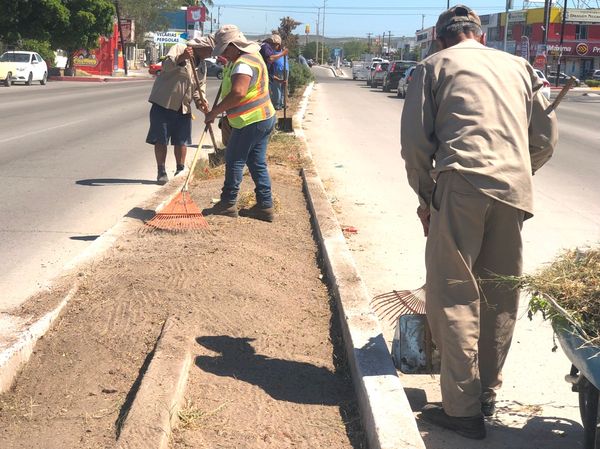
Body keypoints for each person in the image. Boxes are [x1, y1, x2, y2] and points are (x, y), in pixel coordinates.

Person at [400, 4, 558, 440]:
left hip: (461, 182)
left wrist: (426, 199)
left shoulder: (432, 67)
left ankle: (463, 410)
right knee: (498, 294)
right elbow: (545, 138)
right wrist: (515, 173)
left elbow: (415, 145)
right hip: (513, 190)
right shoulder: (522, 67)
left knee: (453, 294)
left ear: (439, 38)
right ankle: (486, 392)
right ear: (480, 36)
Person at [204, 25, 277, 222]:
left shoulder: (243, 64)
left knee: (234, 158)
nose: (224, 54)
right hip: (263, 117)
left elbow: (238, 93)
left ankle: (228, 203)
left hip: (251, 120)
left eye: (226, 49)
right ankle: (265, 206)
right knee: (256, 162)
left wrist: (215, 112)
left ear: (235, 45)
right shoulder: (248, 57)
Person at [146, 35, 215, 185]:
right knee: (161, 139)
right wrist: (182, 57)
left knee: (181, 140)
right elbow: (166, 66)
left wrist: (201, 102)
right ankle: (161, 170)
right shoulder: (179, 48)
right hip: (164, 103)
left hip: (183, 107)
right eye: (210, 51)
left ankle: (180, 170)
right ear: (202, 48)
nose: (211, 54)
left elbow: (199, 88)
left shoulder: (202, 65)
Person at [260, 34, 288, 110]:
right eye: (278, 45)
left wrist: (278, 80)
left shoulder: (269, 49)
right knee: (268, 95)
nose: (278, 47)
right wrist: (283, 53)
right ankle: (274, 107)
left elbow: (269, 72)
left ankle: (276, 106)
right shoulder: (265, 47)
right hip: (264, 79)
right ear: (276, 43)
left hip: (268, 76)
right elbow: (270, 59)